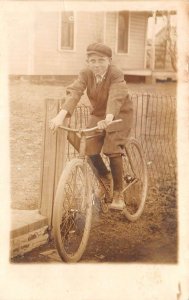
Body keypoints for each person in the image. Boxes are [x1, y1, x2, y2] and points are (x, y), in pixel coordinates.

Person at [49, 42, 133, 210]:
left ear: (109, 60)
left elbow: (116, 97)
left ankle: (118, 193)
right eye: (92, 61)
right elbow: (75, 92)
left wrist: (109, 118)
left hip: (120, 113)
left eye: (101, 60)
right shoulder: (85, 73)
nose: (97, 65)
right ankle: (106, 178)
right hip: (99, 113)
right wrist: (60, 116)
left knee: (112, 148)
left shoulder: (116, 74)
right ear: (87, 62)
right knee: (88, 147)